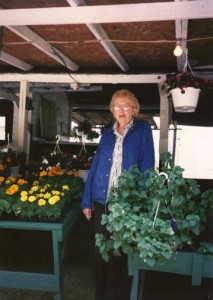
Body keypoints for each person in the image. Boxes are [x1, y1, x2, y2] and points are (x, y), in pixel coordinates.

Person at [81, 89, 155, 300]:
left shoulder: (142, 131)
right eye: (117, 106)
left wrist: (139, 201)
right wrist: (86, 201)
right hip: (101, 200)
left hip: (127, 203)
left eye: (125, 106)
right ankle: (100, 295)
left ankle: (117, 295)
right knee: (100, 253)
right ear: (112, 110)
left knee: (120, 253)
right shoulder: (106, 134)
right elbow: (95, 167)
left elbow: (147, 166)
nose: (121, 110)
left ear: (134, 109)